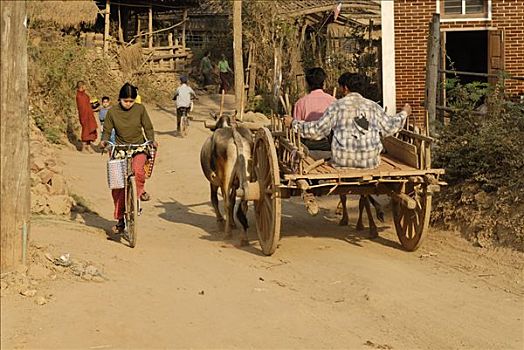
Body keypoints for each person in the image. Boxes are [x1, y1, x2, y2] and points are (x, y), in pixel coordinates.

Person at [284, 72, 412, 169]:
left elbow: (317, 130)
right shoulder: (373, 107)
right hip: (370, 162)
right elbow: (390, 127)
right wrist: (404, 113)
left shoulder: (337, 106)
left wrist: (293, 123)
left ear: (345, 88)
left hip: (342, 162)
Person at [100, 83, 157, 232]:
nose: (128, 104)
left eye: (131, 101)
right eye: (126, 101)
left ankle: (138, 192)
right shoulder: (112, 112)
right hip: (120, 148)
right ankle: (120, 220)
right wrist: (104, 141)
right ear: (120, 99)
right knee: (118, 186)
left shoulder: (140, 109)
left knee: (138, 171)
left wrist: (151, 139)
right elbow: (106, 130)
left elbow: (148, 127)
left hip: (138, 146)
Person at [293, 67, 336, 151]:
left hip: (307, 147)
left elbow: (296, 129)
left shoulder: (300, 103)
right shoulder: (333, 101)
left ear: (307, 83)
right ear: (323, 82)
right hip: (329, 146)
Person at [75, 81, 98, 152]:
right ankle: (83, 147)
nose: (86, 87)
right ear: (81, 86)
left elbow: (88, 105)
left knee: (90, 131)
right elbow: (81, 107)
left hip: (89, 115)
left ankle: (88, 146)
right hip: (84, 116)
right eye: (84, 86)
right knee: (85, 130)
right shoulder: (79, 96)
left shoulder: (85, 95)